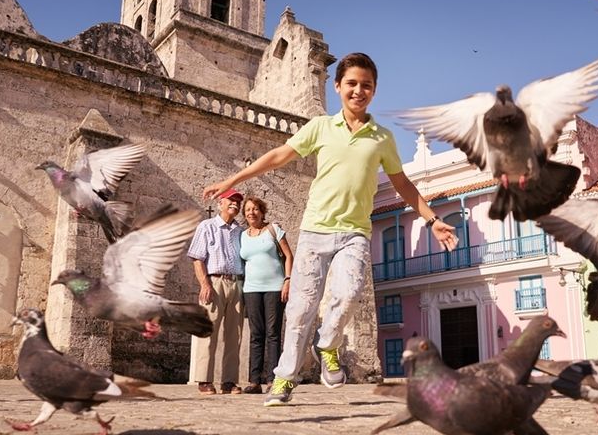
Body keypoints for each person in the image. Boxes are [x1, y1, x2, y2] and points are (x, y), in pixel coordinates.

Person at [203, 52, 458, 406]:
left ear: (374, 90)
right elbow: (278, 156)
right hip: (315, 231)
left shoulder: (382, 138)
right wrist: (233, 179)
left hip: (355, 233)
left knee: (349, 292)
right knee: (301, 309)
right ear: (337, 86)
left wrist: (431, 220)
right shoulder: (321, 127)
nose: (358, 91)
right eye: (351, 83)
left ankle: (327, 344)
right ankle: (284, 378)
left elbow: (402, 184)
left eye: (366, 85)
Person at [187, 188, 245, 395]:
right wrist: (205, 284)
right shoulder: (207, 226)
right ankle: (204, 380)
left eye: (238, 201)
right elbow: (197, 258)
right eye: (231, 200)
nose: (235, 204)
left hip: (237, 283)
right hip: (214, 282)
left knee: (234, 335)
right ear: (220, 203)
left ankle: (229, 381)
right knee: (208, 332)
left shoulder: (241, 231)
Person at [240, 196, 294, 394]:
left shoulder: (274, 229)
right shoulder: (242, 235)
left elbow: (288, 255)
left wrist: (287, 280)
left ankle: (273, 379)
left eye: (255, 209)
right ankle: (254, 381)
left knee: (273, 333)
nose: (251, 212)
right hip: (251, 289)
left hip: (274, 287)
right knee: (256, 334)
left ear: (262, 212)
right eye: (248, 210)